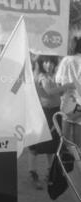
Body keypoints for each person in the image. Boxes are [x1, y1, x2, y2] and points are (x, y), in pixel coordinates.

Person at [28, 55, 75, 189]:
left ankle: (49, 172)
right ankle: (33, 172)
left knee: (52, 145)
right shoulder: (41, 76)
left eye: (51, 62)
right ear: (41, 63)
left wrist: (65, 89)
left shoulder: (55, 76)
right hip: (42, 113)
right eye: (45, 62)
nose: (48, 64)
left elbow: (57, 94)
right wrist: (68, 85)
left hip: (55, 112)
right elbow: (49, 91)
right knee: (36, 146)